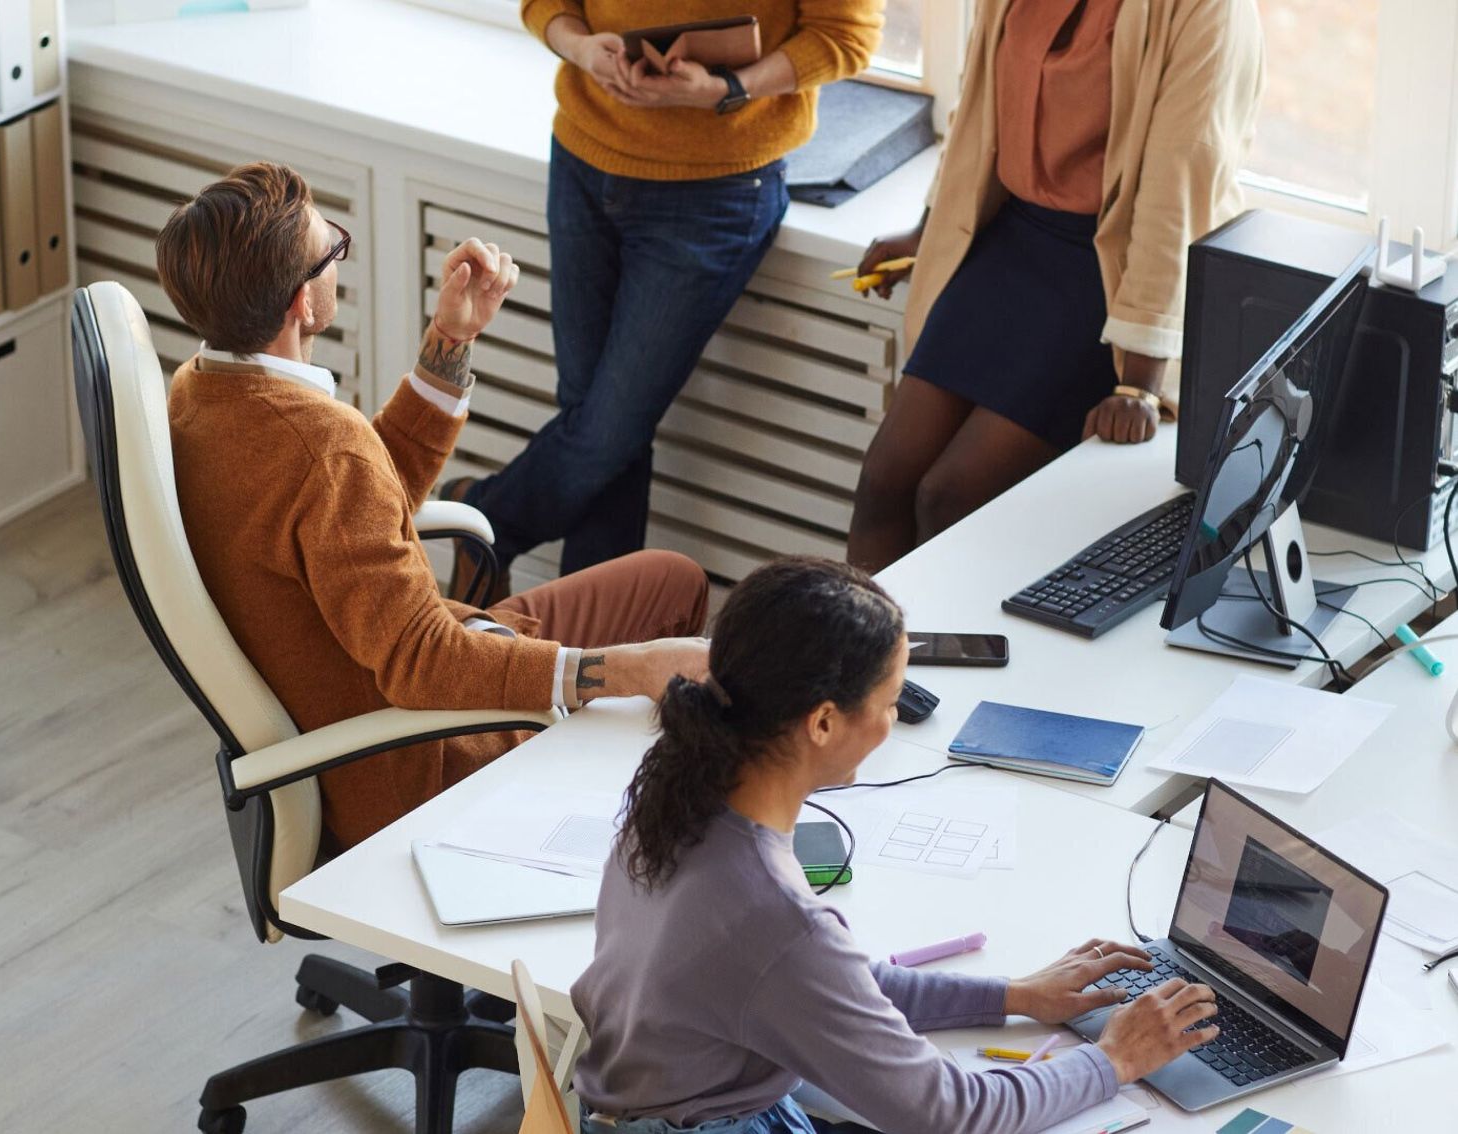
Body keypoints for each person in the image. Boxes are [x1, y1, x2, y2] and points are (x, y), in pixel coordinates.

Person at [157, 162, 710, 850]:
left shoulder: (199, 390)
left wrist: (451, 341)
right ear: (302, 303)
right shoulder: (318, 446)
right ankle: (661, 875)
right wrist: (627, 670)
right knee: (668, 656)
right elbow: (423, 663)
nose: (337, 250)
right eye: (330, 246)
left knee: (669, 581)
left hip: (421, 671)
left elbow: (355, 503)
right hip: (419, 755)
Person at [570, 556, 1220, 1134]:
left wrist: (1013, 995)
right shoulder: (774, 914)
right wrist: (1114, 1059)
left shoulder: (677, 792)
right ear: (822, 722)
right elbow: (949, 1112)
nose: (896, 719)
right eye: (889, 701)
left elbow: (821, 983)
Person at [443, 0, 884, 590]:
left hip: (715, 192)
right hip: (583, 158)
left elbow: (846, 37)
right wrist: (581, 48)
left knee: (609, 430)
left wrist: (728, 88)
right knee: (599, 421)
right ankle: (584, 651)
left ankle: (484, 519)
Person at [847, 0, 1264, 572]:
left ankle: (924, 660)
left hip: (1105, 273)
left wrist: (1140, 381)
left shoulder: (1208, 10)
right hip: (1012, 242)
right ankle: (852, 661)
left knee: (949, 497)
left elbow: (1182, 182)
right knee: (883, 483)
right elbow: (978, 110)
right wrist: (930, 229)